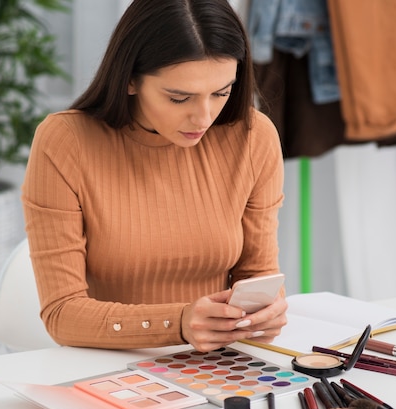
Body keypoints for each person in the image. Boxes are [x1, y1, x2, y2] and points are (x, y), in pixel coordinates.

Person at [21, 0, 287, 353]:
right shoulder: (66, 142)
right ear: (130, 79)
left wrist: (264, 312)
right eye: (179, 98)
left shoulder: (254, 138)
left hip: (218, 362)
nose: (203, 117)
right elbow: (62, 313)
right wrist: (177, 323)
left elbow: (259, 273)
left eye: (221, 93)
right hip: (107, 365)